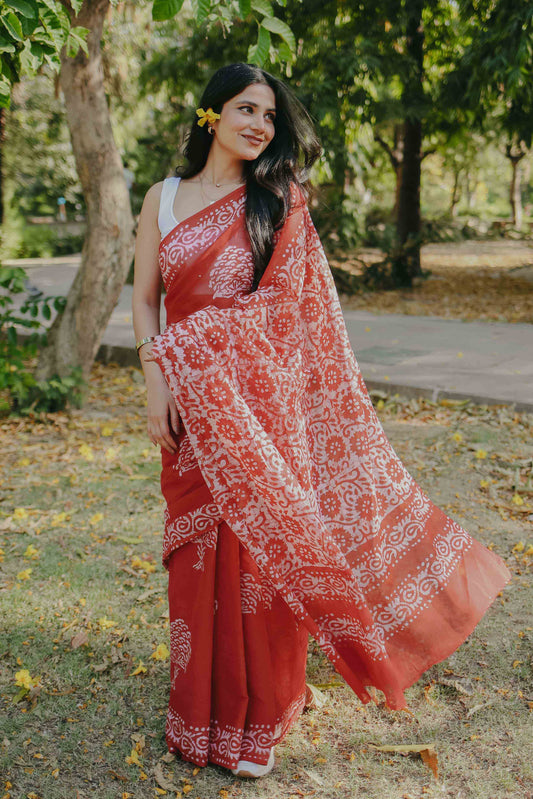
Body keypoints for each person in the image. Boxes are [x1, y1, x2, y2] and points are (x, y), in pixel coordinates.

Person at [131, 62, 511, 779]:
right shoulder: (164, 197)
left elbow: (290, 315)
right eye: (245, 109)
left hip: (254, 410)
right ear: (212, 115)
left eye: (269, 116)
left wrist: (206, 355)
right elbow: (145, 300)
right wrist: (159, 377)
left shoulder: (277, 202)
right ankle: (197, 710)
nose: (259, 125)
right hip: (186, 406)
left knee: (258, 561)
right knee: (196, 561)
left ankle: (261, 712)